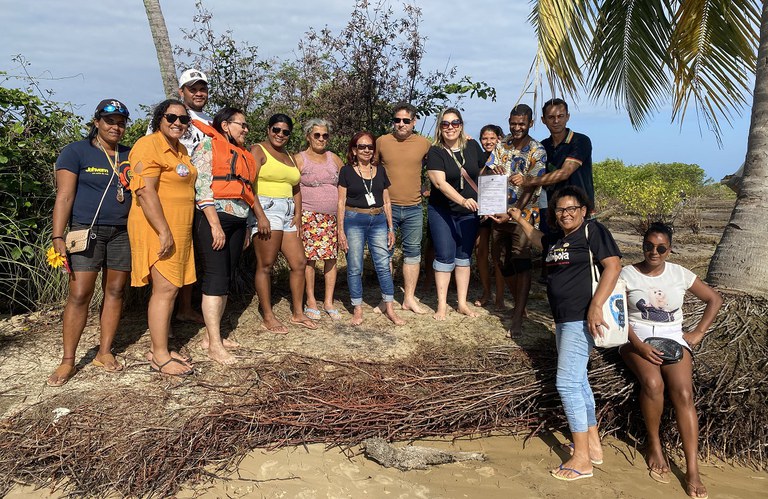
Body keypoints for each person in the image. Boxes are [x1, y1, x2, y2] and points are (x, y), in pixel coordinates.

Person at [505, 185, 621, 481]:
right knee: (579, 381)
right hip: (563, 318)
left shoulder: (592, 232)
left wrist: (596, 306)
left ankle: (581, 459)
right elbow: (537, 239)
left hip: (582, 317)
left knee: (567, 383)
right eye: (560, 210)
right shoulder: (558, 238)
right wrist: (519, 218)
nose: (566, 213)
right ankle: (593, 446)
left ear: (583, 211)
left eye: (572, 209)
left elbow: (613, 266)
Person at [620, 222, 722, 499]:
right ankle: (654, 444)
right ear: (642, 246)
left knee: (684, 393)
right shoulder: (627, 274)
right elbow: (617, 311)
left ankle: (692, 469)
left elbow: (714, 299)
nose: (654, 252)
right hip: (635, 337)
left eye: (661, 248)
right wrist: (638, 346)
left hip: (673, 337)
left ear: (669, 250)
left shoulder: (680, 273)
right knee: (653, 384)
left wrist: (698, 332)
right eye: (649, 246)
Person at [48, 99, 132, 386]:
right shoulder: (76, 151)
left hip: (122, 232)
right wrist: (58, 235)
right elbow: (65, 196)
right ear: (96, 122)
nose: (115, 127)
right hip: (86, 231)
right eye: (110, 121)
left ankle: (104, 352)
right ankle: (68, 360)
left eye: (121, 122)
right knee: (80, 294)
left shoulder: (130, 155)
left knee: (116, 291)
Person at [128, 99, 197, 376]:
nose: (178, 123)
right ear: (160, 118)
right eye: (172, 117)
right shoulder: (149, 145)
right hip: (157, 227)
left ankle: (161, 346)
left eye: (183, 120)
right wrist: (164, 231)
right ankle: (159, 355)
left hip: (178, 228)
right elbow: (145, 191)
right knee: (165, 290)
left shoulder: (180, 150)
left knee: (170, 289)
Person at [191, 107, 262, 364]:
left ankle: (213, 337)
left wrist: (248, 227)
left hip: (238, 221)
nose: (245, 129)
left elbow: (248, 193)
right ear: (224, 125)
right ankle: (214, 344)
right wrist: (214, 224)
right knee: (215, 278)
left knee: (226, 277)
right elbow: (202, 189)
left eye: (246, 125)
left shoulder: (242, 154)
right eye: (240, 124)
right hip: (215, 219)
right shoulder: (207, 147)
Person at [147, 68, 213, 324]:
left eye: (202, 88)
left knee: (190, 253)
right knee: (168, 257)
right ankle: (164, 318)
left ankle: (185, 308)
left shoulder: (210, 122)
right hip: (171, 193)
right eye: (192, 88)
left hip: (202, 193)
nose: (198, 93)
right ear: (181, 91)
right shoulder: (168, 116)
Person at [250, 114, 316, 332]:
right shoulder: (258, 150)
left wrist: (298, 213)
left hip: (288, 213)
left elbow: (296, 187)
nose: (280, 135)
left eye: (285, 132)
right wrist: (260, 215)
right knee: (266, 265)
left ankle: (297, 313)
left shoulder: (289, 155)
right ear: (268, 129)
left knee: (299, 263)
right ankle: (268, 315)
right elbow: (249, 185)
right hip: (267, 210)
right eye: (276, 130)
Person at [486, 105, 547, 336]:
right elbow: (487, 173)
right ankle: (519, 308)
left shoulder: (537, 149)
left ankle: (518, 315)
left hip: (524, 216)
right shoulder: (503, 145)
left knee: (521, 262)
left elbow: (533, 186)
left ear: (530, 123)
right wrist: (495, 173)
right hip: (498, 212)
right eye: (513, 123)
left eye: (522, 123)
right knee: (502, 262)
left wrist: (515, 212)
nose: (517, 127)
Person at [338, 132, 404, 327]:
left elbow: (387, 200)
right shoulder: (346, 171)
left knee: (383, 265)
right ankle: (357, 309)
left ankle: (389, 308)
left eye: (369, 147)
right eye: (361, 146)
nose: (366, 150)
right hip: (354, 219)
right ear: (354, 150)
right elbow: (341, 201)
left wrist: (391, 228)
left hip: (378, 220)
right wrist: (340, 230)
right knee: (355, 266)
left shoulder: (380, 171)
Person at [426, 108, 485, 321]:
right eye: (445, 123)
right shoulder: (435, 152)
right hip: (443, 211)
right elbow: (439, 183)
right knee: (444, 255)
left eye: (455, 123)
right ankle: (441, 305)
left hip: (469, 213)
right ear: (439, 127)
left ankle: (461, 303)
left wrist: (489, 203)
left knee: (463, 256)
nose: (450, 127)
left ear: (461, 125)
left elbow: (485, 172)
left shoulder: (472, 146)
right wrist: (462, 200)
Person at [375, 102, 431, 314]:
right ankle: (386, 299)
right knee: (384, 254)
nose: (401, 124)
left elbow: (438, 165)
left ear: (413, 122)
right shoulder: (381, 141)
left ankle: (408, 299)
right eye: (397, 120)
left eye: (406, 120)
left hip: (414, 208)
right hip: (385, 208)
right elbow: (371, 168)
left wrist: (427, 188)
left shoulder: (424, 144)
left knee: (413, 254)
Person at [510, 98, 593, 228]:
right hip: (551, 212)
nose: (556, 121)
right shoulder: (542, 146)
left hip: (577, 212)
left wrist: (528, 181)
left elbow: (564, 173)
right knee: (550, 247)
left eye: (560, 116)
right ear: (543, 120)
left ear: (568, 117)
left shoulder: (580, 141)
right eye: (551, 117)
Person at [296, 118, 344, 321]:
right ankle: (311, 300)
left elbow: (345, 185)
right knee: (310, 259)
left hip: (332, 217)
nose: (321, 139)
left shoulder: (334, 159)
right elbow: (291, 187)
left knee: (331, 259)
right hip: (308, 216)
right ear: (308, 136)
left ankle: (328, 301)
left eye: (325, 135)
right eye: (317, 135)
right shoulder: (299, 159)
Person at [474, 124, 504, 307]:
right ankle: (486, 291)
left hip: (501, 211)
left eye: (492, 138)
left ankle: (500, 296)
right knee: (481, 251)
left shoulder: (505, 157)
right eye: (485, 138)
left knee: (498, 254)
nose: (488, 142)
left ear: (499, 139)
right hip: (482, 211)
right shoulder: (477, 157)